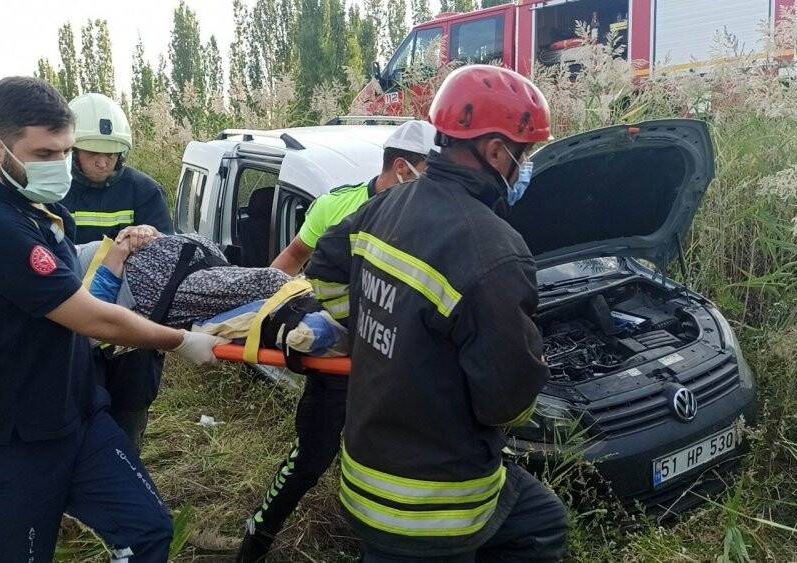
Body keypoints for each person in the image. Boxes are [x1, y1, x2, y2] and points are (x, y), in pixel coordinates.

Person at [0, 76, 224, 563]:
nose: (60, 166)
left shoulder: (39, 208)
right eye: (45, 154)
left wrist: (117, 257)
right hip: (6, 437)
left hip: (73, 413)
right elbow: (92, 319)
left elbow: (78, 288)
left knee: (149, 530)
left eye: (66, 152)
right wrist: (180, 341)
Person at [304, 65, 569, 561]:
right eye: (524, 154)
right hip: (435, 501)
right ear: (495, 151)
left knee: (541, 522)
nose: (523, 166)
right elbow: (507, 404)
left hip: (368, 471)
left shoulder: (390, 203)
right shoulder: (494, 251)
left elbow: (322, 272)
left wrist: (371, 332)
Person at [237, 120, 438, 562]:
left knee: (392, 460)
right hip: (338, 360)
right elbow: (291, 260)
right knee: (309, 459)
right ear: (403, 168)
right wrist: (256, 314)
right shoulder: (336, 205)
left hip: (393, 364)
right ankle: (254, 543)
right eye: (430, 169)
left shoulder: (428, 217)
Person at [60, 92, 175, 450]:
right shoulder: (55, 192)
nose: (103, 161)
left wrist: (151, 236)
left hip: (131, 328)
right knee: (73, 413)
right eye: (93, 152)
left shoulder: (143, 190)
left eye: (110, 153)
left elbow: (166, 259)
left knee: (129, 412)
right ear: (73, 150)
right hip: (72, 322)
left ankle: (126, 467)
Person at [270, 120, 438, 276]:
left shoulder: (434, 216)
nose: (438, 183)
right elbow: (294, 256)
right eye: (431, 173)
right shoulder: (332, 207)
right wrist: (266, 304)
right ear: (401, 168)